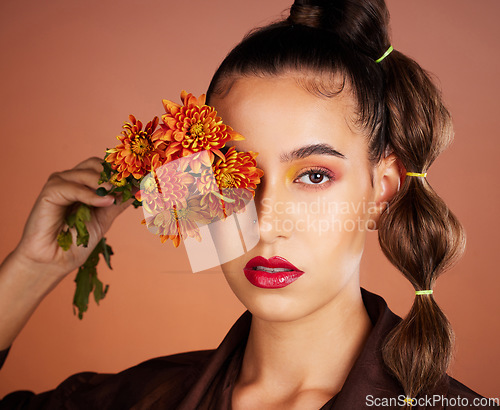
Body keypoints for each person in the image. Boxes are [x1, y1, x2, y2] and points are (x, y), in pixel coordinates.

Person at [0, 0, 497, 409]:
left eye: (314, 175)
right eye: (234, 173)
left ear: (381, 187)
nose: (266, 220)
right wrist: (32, 269)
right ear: (200, 186)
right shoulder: (138, 398)